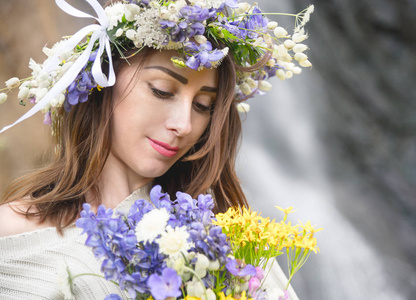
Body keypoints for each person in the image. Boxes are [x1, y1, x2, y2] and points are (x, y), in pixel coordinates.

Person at [0, 0, 313, 298]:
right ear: (103, 80)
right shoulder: (12, 238)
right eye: (162, 91)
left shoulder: (229, 245)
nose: (185, 125)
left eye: (204, 105)